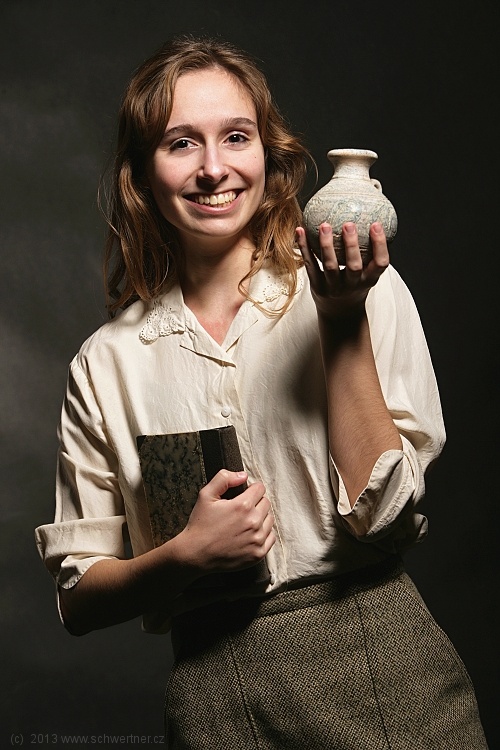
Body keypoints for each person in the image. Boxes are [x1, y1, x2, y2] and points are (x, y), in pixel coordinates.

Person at [35, 35, 488, 749]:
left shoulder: (360, 286)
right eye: (181, 143)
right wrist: (184, 555)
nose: (214, 168)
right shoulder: (106, 364)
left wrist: (341, 321)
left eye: (236, 137)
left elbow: (385, 519)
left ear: (268, 155)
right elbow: (79, 599)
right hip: (214, 700)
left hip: (379, 667)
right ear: (141, 172)